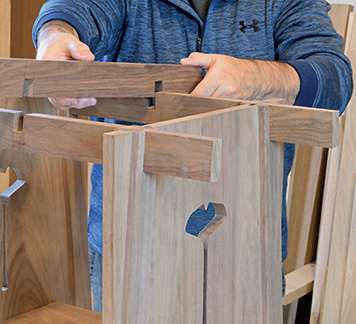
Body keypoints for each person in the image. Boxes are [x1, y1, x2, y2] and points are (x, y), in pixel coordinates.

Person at [32, 0, 353, 313]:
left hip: (245, 249)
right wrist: (55, 36)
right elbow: (74, 9)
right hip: (129, 247)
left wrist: (258, 76)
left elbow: (334, 81)